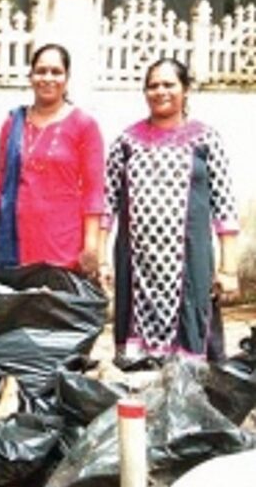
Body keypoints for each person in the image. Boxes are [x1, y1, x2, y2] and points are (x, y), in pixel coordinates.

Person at [100, 58, 239, 364]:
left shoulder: (205, 139)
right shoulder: (127, 142)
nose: (160, 91)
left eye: (168, 84)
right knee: (135, 352)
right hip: (136, 262)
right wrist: (101, 259)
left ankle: (190, 404)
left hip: (190, 261)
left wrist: (229, 269)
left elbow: (225, 205)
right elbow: (106, 203)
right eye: (152, 85)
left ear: (185, 89)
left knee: (193, 335)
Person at [0, 43, 105, 275]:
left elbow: (94, 191)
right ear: (30, 76)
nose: (48, 78)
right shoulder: (12, 123)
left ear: (67, 78)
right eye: (41, 71)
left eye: (56, 72)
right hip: (15, 240)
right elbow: (1, 187)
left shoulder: (84, 125)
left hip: (64, 244)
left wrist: (91, 246)